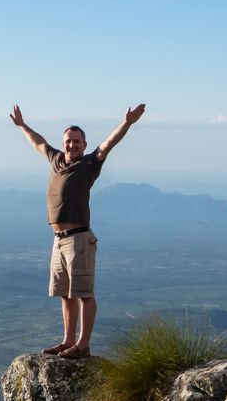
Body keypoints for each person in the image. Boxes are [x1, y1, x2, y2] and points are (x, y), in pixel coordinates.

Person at [9, 103, 145, 357]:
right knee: (65, 294)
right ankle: (67, 340)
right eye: (68, 141)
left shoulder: (89, 165)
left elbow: (108, 144)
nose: (72, 145)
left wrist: (127, 123)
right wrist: (22, 126)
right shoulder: (56, 160)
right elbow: (38, 142)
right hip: (58, 240)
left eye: (77, 142)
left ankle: (82, 345)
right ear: (64, 143)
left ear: (84, 144)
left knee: (83, 293)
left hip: (79, 238)